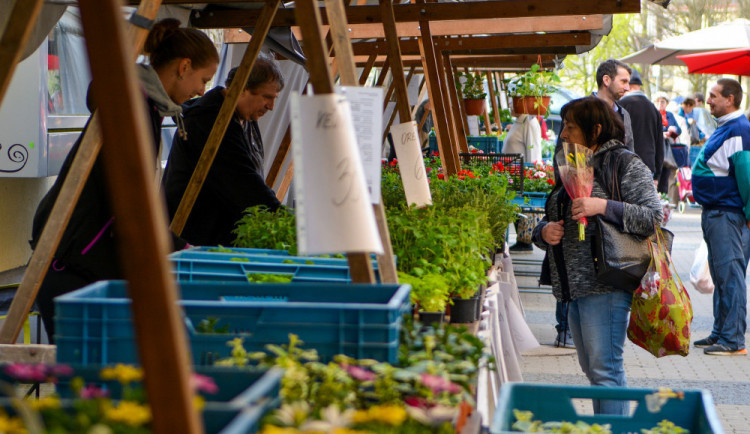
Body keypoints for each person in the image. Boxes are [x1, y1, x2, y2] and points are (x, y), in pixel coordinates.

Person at [30, 19, 220, 340]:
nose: (202, 90)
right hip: (73, 261)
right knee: (86, 374)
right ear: (184, 66)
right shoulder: (132, 108)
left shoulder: (145, 106)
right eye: (203, 79)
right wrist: (179, 247)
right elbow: (128, 198)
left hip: (79, 258)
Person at [532, 97, 662, 414]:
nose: (563, 134)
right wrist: (543, 231)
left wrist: (602, 206)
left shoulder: (624, 164)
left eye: (571, 126)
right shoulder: (573, 162)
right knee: (595, 372)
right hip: (574, 286)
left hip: (606, 283)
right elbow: (555, 213)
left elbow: (653, 218)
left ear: (596, 129)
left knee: (605, 372)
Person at [164, 56, 283, 247]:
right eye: (267, 97)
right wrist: (286, 219)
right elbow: (243, 181)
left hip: (220, 240)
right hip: (194, 240)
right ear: (242, 88)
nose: (271, 106)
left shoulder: (246, 119)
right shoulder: (210, 120)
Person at [691, 78, 750, 356]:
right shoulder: (727, 126)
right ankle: (721, 332)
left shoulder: (738, 129)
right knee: (721, 274)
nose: (709, 100)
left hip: (727, 213)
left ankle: (733, 340)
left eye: (714, 96)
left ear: (731, 99)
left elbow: (746, 175)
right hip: (717, 211)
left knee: (730, 275)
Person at [503, 114, 542, 253]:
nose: (511, 104)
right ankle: (523, 241)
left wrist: (531, 174)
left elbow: (534, 152)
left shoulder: (529, 121)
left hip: (522, 174)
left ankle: (525, 242)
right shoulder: (518, 121)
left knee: (523, 209)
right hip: (513, 175)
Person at [619, 68, 664, 184]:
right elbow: (660, 144)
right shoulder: (653, 109)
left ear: (627, 85)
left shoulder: (620, 106)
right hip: (648, 167)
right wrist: (657, 175)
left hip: (625, 167)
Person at [593, 59, 635, 152]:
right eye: (623, 81)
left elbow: (629, 154)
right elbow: (565, 152)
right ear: (606, 80)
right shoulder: (580, 110)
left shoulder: (624, 115)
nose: (627, 88)